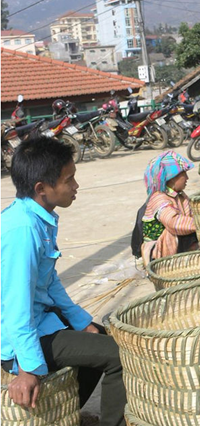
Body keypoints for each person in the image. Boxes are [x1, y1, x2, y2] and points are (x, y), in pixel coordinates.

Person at [1, 136, 126, 426]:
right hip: (17, 336)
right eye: (68, 180)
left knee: (101, 336)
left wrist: (81, 321)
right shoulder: (22, 231)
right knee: (117, 355)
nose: (75, 186)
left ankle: (69, 414)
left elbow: (49, 280)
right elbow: (15, 307)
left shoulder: (38, 216)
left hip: (40, 319)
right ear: (41, 189)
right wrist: (29, 369)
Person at [141, 150, 198, 264]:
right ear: (172, 178)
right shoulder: (159, 199)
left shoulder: (180, 196)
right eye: (183, 174)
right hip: (159, 251)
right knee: (191, 233)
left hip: (175, 243)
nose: (187, 178)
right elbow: (173, 223)